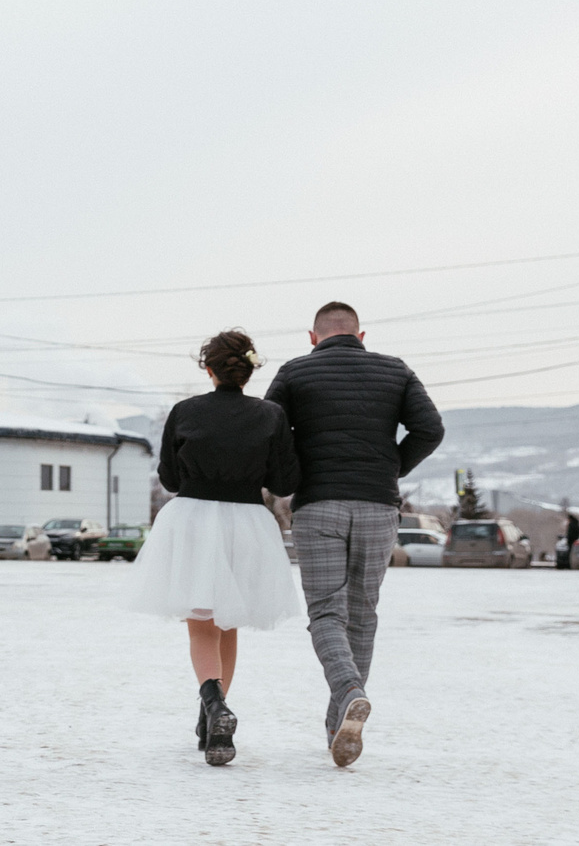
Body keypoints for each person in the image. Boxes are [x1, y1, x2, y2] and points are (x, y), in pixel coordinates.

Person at [264, 301, 444, 769]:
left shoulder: (294, 373)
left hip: (319, 504)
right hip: (378, 506)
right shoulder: (395, 370)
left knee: (326, 612)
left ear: (312, 336)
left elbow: (270, 431)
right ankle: (337, 724)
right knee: (362, 613)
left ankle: (348, 693)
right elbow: (431, 428)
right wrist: (391, 467)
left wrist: (293, 475)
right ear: (361, 335)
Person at [126, 330, 301, 766]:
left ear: (208, 368)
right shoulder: (271, 415)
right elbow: (284, 483)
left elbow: (168, 478)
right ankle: (214, 723)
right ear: (249, 369)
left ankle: (213, 705)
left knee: (201, 623)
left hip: (193, 520)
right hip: (247, 522)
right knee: (229, 622)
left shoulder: (185, 411)